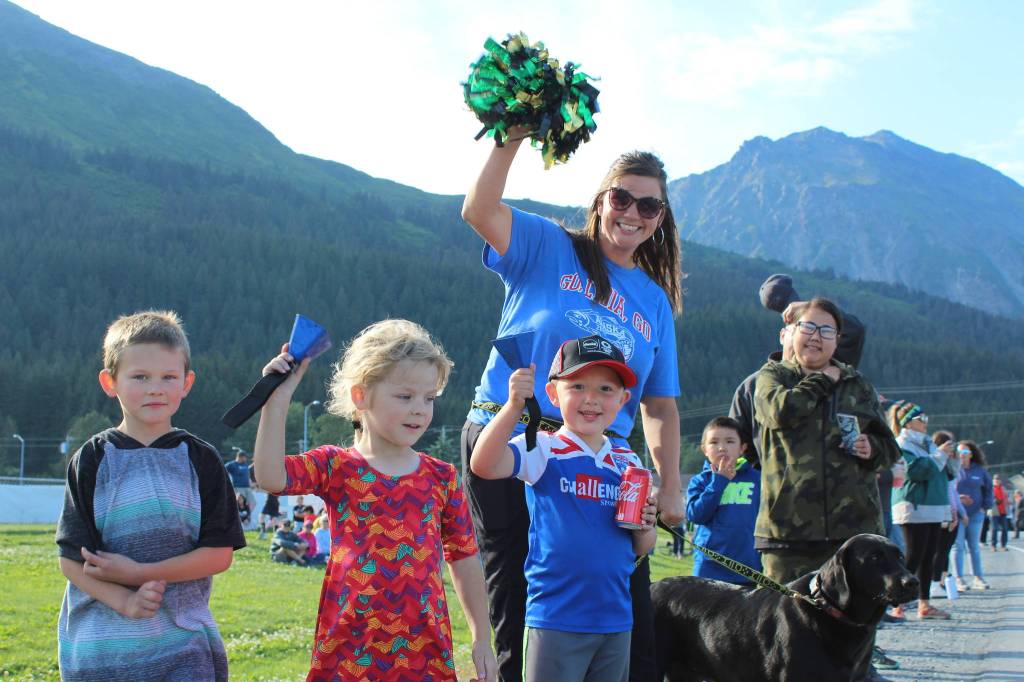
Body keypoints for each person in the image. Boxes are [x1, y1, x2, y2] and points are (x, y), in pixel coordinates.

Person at [461, 137, 682, 682]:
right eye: (622, 198)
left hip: (604, 456)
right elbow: (478, 210)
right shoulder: (549, 245)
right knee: (518, 598)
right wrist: (510, 137)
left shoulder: (653, 300)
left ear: (661, 218)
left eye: (649, 205)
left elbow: (659, 404)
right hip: (516, 434)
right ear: (601, 199)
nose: (633, 213)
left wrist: (670, 483)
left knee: (623, 594)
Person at [253, 319, 497, 681]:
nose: (420, 409)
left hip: (424, 651)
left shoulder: (442, 478)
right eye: (405, 396)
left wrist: (481, 638)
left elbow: (464, 557)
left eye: (429, 398)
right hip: (347, 648)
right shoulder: (336, 466)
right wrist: (276, 402)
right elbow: (271, 477)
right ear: (360, 395)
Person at [55, 310, 245, 681]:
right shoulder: (92, 459)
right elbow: (72, 560)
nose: (155, 388)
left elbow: (219, 554)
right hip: (102, 652)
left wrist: (143, 573)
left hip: (183, 647)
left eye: (168, 377)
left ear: (187, 383)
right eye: (140, 377)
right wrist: (125, 600)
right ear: (110, 382)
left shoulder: (201, 459)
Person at [471, 335, 657, 682]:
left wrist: (646, 527)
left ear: (623, 400)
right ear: (553, 394)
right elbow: (484, 465)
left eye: (605, 389)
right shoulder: (542, 447)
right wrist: (513, 407)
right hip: (555, 618)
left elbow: (641, 548)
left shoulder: (627, 461)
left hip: (616, 619)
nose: (591, 399)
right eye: (577, 386)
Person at [753, 298, 900, 583]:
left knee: (855, 622)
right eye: (808, 327)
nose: (816, 336)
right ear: (791, 332)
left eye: (827, 331)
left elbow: (890, 448)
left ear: (838, 341)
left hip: (855, 533)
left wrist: (872, 448)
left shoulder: (856, 384)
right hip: (788, 530)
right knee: (786, 621)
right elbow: (779, 412)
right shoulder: (773, 377)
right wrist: (822, 380)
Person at [887, 402, 953, 620]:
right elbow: (916, 471)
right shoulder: (902, 444)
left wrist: (948, 459)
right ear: (909, 422)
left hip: (934, 505)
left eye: (926, 419)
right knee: (913, 556)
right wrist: (939, 457)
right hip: (913, 505)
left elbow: (944, 473)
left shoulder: (929, 445)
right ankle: (896, 603)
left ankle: (924, 604)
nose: (926, 424)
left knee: (929, 556)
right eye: (922, 419)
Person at [685, 416, 761, 584]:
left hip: (747, 567)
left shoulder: (758, 480)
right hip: (709, 565)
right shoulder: (700, 481)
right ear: (704, 449)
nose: (722, 447)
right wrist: (719, 481)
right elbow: (695, 515)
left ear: (742, 448)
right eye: (714, 442)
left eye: (729, 441)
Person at [952, 440, 993, 591]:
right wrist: (959, 498)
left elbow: (989, 490)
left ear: (971, 454)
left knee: (974, 546)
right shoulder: (953, 469)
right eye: (959, 452)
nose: (962, 455)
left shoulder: (980, 471)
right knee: (958, 546)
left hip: (976, 514)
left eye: (965, 452)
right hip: (957, 514)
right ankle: (959, 579)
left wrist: (985, 507)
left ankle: (978, 577)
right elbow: (949, 489)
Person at [929, 430, 965, 599]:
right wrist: (951, 512)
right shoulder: (935, 463)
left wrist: (954, 458)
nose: (952, 448)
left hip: (950, 510)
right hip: (942, 510)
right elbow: (947, 490)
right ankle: (934, 583)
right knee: (939, 550)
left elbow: (954, 485)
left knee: (944, 550)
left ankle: (940, 582)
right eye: (949, 444)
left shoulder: (948, 465)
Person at [225, 450, 256, 528]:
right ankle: (239, 520)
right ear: (240, 457)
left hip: (247, 487)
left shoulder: (245, 465)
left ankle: (245, 516)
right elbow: (223, 470)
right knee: (238, 504)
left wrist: (251, 483)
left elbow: (247, 475)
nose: (245, 459)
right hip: (238, 487)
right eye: (244, 457)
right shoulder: (232, 465)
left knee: (253, 503)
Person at [990, 474, 1010, 551]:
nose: (996, 481)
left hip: (1003, 511)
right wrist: (994, 500)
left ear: (1000, 481)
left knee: (1005, 529)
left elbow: (1006, 498)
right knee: (994, 529)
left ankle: (1003, 545)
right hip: (994, 511)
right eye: (995, 479)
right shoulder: (991, 489)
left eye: (998, 479)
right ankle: (993, 545)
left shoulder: (1003, 489)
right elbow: (988, 498)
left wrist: (1007, 503)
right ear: (993, 481)